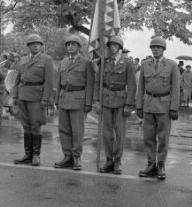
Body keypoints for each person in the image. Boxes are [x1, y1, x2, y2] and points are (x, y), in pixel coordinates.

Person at [136, 36, 180, 180]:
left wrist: (174, 108)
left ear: (163, 49)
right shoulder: (145, 64)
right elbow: (141, 86)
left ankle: (160, 164)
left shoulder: (171, 65)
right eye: (153, 47)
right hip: (148, 104)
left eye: (158, 47)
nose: (155, 49)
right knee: (148, 137)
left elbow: (175, 88)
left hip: (164, 106)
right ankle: (150, 163)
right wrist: (139, 106)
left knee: (163, 137)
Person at [94, 36, 136, 174]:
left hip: (120, 101)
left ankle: (117, 160)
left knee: (120, 132)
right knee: (106, 132)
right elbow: (98, 83)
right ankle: (108, 159)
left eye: (115, 45)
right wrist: (96, 101)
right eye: (110, 45)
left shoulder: (128, 63)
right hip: (106, 100)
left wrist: (129, 104)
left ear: (120, 47)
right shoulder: (104, 61)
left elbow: (131, 85)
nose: (112, 47)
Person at [12, 34, 54, 166]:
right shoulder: (23, 60)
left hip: (37, 97)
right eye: (33, 44)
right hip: (23, 96)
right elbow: (17, 80)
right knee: (25, 126)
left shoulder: (47, 59)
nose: (36, 46)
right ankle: (27, 154)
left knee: (35, 126)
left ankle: (36, 155)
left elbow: (49, 82)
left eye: (38, 44)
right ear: (28, 46)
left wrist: (45, 99)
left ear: (41, 46)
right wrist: (14, 96)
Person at [53, 35, 94, 171]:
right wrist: (57, 100)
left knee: (77, 131)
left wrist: (88, 103)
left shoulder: (86, 62)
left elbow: (90, 84)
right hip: (64, 98)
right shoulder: (63, 63)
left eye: (73, 44)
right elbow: (58, 83)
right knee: (64, 130)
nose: (70, 46)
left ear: (79, 47)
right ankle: (67, 156)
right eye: (68, 44)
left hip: (78, 99)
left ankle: (76, 157)